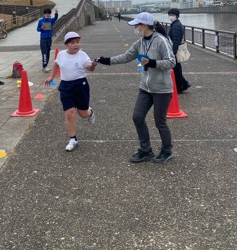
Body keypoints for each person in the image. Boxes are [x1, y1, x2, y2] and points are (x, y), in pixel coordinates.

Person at [97, 12, 176, 163]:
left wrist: (153, 63)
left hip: (161, 89)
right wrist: (106, 60)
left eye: (137, 24)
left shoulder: (161, 41)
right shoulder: (140, 43)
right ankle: (146, 150)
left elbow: (172, 61)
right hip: (145, 87)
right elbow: (126, 56)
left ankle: (167, 150)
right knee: (137, 117)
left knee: (160, 121)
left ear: (145, 25)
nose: (135, 27)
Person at [44, 31, 97, 152]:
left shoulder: (83, 55)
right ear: (66, 44)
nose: (76, 45)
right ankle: (73, 139)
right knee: (69, 113)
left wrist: (93, 65)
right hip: (66, 86)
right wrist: (51, 77)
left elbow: (90, 68)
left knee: (83, 114)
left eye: (78, 42)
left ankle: (90, 112)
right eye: (72, 43)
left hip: (80, 85)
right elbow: (56, 64)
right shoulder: (61, 55)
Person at [168, 8, 191, 94]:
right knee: (176, 68)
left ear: (176, 16)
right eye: (169, 15)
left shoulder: (176, 25)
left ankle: (181, 86)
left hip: (175, 50)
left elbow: (176, 40)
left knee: (176, 69)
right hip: (175, 49)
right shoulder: (176, 24)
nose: (170, 17)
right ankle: (184, 84)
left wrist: (173, 52)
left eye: (172, 15)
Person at [37, 7, 58, 72]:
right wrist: (41, 28)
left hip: (49, 39)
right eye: (46, 13)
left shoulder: (51, 20)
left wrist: (56, 13)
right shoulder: (41, 21)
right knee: (44, 52)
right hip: (43, 39)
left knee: (48, 51)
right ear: (44, 14)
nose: (47, 14)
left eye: (49, 13)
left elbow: (55, 18)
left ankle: (46, 65)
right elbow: (37, 29)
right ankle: (44, 66)